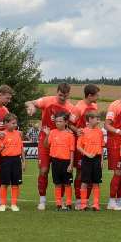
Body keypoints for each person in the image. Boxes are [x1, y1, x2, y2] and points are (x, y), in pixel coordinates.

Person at [25, 83, 76, 211]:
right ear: (56, 92)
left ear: (68, 94)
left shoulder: (70, 108)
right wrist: (31, 107)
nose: (62, 98)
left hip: (62, 143)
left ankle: (62, 200)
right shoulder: (47, 101)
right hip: (45, 139)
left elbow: (74, 123)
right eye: (60, 95)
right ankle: (42, 200)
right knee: (44, 170)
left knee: (64, 171)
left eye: (65, 96)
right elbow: (29, 102)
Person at [68, 84, 100, 204]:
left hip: (93, 146)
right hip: (82, 145)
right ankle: (78, 199)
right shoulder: (78, 107)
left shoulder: (94, 106)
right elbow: (69, 123)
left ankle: (86, 199)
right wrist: (77, 130)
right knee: (81, 171)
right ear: (90, 95)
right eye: (97, 95)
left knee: (92, 173)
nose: (98, 97)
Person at [46, 112, 76, 211]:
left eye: (60, 121)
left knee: (67, 183)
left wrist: (71, 164)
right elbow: (46, 145)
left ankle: (68, 203)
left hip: (66, 162)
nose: (58, 123)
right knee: (57, 183)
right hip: (55, 161)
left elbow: (72, 151)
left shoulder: (70, 135)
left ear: (66, 122)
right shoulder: (52, 132)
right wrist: (47, 134)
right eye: (56, 121)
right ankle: (58, 203)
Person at [0, 114, 24, 212]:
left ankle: (14, 204)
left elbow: (21, 148)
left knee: (15, 184)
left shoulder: (18, 134)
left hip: (17, 160)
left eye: (16, 123)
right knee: (4, 183)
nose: (15, 125)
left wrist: (23, 162)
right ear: (6, 124)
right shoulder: (2, 134)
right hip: (6, 161)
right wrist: (1, 147)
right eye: (13, 123)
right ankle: (2, 204)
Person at [77, 112, 104, 211]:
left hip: (97, 159)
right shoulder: (83, 131)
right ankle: (83, 204)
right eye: (96, 118)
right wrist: (87, 154)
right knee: (84, 181)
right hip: (87, 159)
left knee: (96, 182)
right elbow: (78, 146)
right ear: (89, 120)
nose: (98, 119)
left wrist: (101, 160)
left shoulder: (100, 132)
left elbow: (101, 147)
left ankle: (95, 204)